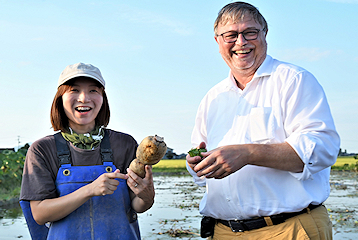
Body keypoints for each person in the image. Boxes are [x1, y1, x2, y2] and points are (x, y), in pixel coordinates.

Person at [186, 2, 340, 239]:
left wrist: (248, 153)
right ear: (218, 42)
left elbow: (322, 150)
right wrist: (197, 163)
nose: (241, 42)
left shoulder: (294, 80)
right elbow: (200, 173)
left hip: (290, 229)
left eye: (250, 32)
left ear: (264, 35)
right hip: (223, 232)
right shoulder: (212, 98)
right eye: (231, 35)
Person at [20, 63, 154, 240]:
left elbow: (137, 205)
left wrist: (147, 196)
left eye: (93, 91)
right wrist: (89, 190)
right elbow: (39, 214)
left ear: (102, 98)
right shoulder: (42, 150)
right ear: (60, 98)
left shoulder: (125, 143)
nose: (84, 98)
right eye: (74, 90)